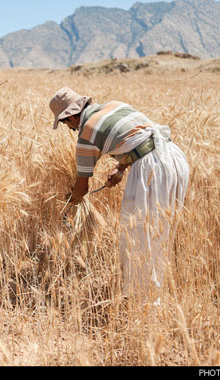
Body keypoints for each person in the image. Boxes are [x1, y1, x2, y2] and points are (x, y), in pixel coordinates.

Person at [49, 87, 189, 305]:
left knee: (140, 235)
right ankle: (154, 296)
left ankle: (146, 301)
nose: (71, 129)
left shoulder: (86, 133)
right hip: (175, 160)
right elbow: (145, 139)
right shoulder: (115, 105)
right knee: (160, 230)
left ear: (73, 115)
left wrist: (70, 203)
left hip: (152, 169)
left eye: (68, 124)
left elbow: (82, 187)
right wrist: (122, 167)